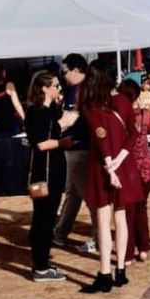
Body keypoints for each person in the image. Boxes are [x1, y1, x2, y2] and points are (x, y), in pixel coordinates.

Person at [81, 68, 144, 293]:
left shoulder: (91, 107)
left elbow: (100, 139)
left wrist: (110, 166)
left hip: (102, 168)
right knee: (121, 218)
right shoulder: (124, 102)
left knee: (103, 220)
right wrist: (119, 161)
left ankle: (104, 272)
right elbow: (134, 134)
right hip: (123, 166)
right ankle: (120, 270)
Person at [24, 71, 70, 282]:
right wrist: (63, 143)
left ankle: (40, 261)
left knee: (43, 215)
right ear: (44, 88)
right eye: (56, 85)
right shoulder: (39, 112)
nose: (59, 89)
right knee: (45, 217)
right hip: (44, 174)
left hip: (44, 171)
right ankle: (40, 267)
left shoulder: (45, 110)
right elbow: (41, 143)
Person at [53, 54, 96, 253]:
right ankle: (60, 233)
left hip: (78, 148)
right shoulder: (90, 87)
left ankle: (98, 236)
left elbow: (69, 119)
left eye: (65, 72)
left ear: (76, 70)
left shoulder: (76, 91)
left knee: (89, 195)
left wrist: (49, 132)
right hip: (83, 147)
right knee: (75, 193)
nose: (64, 76)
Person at [118, 78, 150, 263]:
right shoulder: (145, 114)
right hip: (146, 168)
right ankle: (144, 247)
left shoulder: (119, 117)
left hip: (129, 168)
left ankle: (127, 253)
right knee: (141, 208)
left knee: (128, 212)